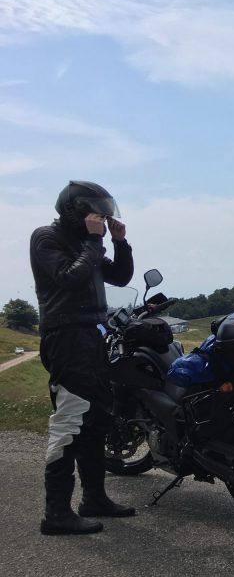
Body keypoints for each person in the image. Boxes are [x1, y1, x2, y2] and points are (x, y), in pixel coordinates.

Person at [30, 181, 136, 535]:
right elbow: (69, 278)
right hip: (65, 337)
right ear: (75, 211)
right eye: (95, 213)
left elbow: (120, 277)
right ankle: (56, 513)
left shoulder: (83, 244)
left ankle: (94, 498)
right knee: (69, 421)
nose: (100, 220)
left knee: (97, 419)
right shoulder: (47, 238)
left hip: (92, 336)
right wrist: (94, 241)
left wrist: (119, 244)